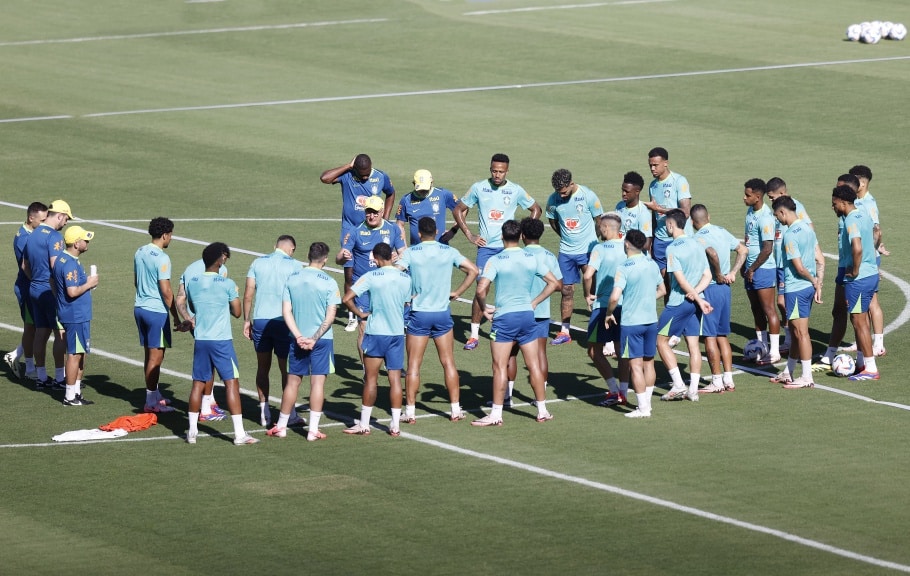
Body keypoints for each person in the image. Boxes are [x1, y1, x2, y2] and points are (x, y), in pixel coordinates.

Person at [470, 220, 560, 427]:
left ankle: (496, 414)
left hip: (505, 318)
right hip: (528, 316)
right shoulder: (531, 257)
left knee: (499, 366)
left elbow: (480, 289)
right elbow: (554, 283)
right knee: (534, 364)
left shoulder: (496, 259)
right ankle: (542, 410)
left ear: (502, 236)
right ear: (520, 236)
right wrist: (535, 302)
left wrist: (484, 308)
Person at [452, 153, 541, 350]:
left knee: (509, 289)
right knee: (481, 288)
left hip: (507, 248)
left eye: (501, 172)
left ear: (507, 171)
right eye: (494, 171)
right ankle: (474, 335)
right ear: (490, 169)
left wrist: (525, 233)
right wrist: (469, 234)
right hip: (485, 249)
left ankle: (503, 328)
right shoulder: (479, 187)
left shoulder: (515, 190)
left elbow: (536, 209)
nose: (497, 175)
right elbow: (458, 209)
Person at [396, 217, 479, 422]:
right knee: (448, 362)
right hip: (442, 313)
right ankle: (455, 409)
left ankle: (411, 412)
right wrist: (458, 292)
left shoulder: (411, 253)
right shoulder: (448, 251)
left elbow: (395, 274)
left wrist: (406, 296)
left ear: (419, 233)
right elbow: (474, 270)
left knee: (414, 365)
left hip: (419, 314)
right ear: (436, 231)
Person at [185, 242, 258, 445]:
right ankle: (239, 434)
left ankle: (192, 432)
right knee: (231, 383)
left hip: (201, 339)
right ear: (220, 259)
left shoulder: (193, 282)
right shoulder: (227, 284)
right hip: (221, 340)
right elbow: (236, 312)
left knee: (197, 383)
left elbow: (192, 307)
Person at [267, 242, 340, 441]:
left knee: (292, 383)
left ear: (308, 256)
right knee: (317, 384)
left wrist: (299, 336)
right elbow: (331, 315)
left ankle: (281, 426)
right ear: (325, 259)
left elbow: (286, 311)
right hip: (322, 341)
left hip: (296, 340)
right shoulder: (329, 281)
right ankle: (312, 430)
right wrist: (314, 338)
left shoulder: (293, 278)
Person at [341, 242, 412, 436]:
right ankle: (395, 425)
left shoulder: (370, 276)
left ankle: (364, 424)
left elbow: (347, 298)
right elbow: (407, 301)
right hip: (397, 333)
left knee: (371, 380)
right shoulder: (405, 278)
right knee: (395, 380)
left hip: (375, 332)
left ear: (378, 258)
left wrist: (360, 314)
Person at [320, 154, 396, 332]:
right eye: (361, 174)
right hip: (350, 230)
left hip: (373, 229)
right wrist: (348, 165)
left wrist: (385, 218)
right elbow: (325, 178)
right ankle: (352, 315)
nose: (364, 177)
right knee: (349, 274)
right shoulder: (347, 175)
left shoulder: (380, 176)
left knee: (378, 268)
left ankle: (378, 307)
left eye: (367, 173)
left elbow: (391, 194)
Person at [604, 230, 666, 418]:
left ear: (627, 244)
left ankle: (643, 408)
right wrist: (646, 298)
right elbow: (662, 290)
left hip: (632, 322)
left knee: (636, 365)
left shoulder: (624, 267)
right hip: (651, 320)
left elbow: (614, 297)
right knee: (649, 363)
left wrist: (608, 313)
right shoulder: (651, 263)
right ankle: (647, 403)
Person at [336, 195, 406, 357]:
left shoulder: (392, 229)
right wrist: (342, 256)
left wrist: (398, 259)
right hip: (364, 287)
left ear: (382, 211)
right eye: (368, 212)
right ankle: (366, 369)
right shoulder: (355, 231)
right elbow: (339, 259)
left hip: (387, 286)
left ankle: (392, 364)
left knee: (392, 327)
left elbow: (403, 254)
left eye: (375, 212)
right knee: (364, 327)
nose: (371, 216)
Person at [242, 235, 301, 427]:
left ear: (275, 246)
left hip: (260, 321)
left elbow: (249, 293)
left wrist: (246, 320)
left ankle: (264, 412)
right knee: (287, 370)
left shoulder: (258, 262)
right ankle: (289, 413)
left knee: (262, 367)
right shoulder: (294, 265)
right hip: (283, 322)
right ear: (291, 249)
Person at [502, 218, 562, 404]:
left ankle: (507, 396)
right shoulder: (549, 256)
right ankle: (540, 398)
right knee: (540, 354)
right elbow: (559, 285)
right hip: (541, 313)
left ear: (522, 235)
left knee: (510, 354)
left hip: (515, 311)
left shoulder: (516, 255)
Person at [656, 209, 714, 403]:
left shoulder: (671, 248)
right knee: (693, 345)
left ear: (671, 225)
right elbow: (708, 275)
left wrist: (694, 296)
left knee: (660, 341)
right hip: (696, 302)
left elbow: (680, 282)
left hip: (679, 303)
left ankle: (679, 385)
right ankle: (694, 390)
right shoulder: (697, 244)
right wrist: (698, 295)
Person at [691, 204, 748, 393]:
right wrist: (732, 272)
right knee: (722, 336)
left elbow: (712, 253)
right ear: (709, 216)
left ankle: (715, 381)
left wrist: (717, 273)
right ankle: (728, 379)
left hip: (711, 290)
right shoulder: (722, 231)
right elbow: (743, 250)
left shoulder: (697, 238)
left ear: (692, 222)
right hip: (725, 290)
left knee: (709, 336)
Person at [768, 196, 823, 388]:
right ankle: (789, 371)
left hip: (797, 288)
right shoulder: (808, 228)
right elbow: (820, 258)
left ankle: (807, 376)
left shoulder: (790, 235)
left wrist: (813, 280)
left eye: (777, 216)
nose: (777, 219)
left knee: (801, 333)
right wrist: (817, 284)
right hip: (805, 288)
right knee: (795, 330)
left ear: (783, 212)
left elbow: (799, 267)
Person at [545, 168, 603, 345]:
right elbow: (552, 220)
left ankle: (598, 331)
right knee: (566, 290)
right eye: (558, 192)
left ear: (571, 184)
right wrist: (564, 236)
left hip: (587, 251)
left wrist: (593, 242)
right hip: (566, 252)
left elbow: (599, 220)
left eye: (564, 192)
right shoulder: (553, 199)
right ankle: (564, 331)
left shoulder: (587, 195)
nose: (561, 195)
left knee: (593, 292)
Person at [22, 199, 72, 390]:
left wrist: (36, 279)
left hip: (35, 288)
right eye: (65, 219)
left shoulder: (33, 234)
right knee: (61, 334)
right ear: (59, 215)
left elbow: (24, 265)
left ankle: (41, 376)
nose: (65, 223)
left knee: (41, 333)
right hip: (49, 292)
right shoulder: (54, 237)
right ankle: (60, 378)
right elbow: (56, 266)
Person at [831, 185, 881, 381]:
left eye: (834, 204)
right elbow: (876, 234)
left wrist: (855, 270)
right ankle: (861, 363)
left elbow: (857, 248)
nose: (833, 207)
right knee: (859, 320)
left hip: (859, 279)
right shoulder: (864, 215)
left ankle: (871, 368)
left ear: (843, 202)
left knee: (859, 322)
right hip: (871, 274)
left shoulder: (851, 220)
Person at [133, 217, 182, 413]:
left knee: (149, 354)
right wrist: (176, 316)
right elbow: (166, 291)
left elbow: (136, 281)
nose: (171, 239)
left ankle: (154, 394)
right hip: (156, 312)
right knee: (156, 357)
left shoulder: (140, 251)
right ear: (165, 235)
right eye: (170, 235)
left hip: (140, 308)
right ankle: (150, 402)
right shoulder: (162, 258)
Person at [175, 252, 230, 421]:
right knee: (210, 365)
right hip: (211, 325)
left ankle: (210, 401)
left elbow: (180, 299)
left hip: (194, 324)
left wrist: (189, 320)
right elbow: (214, 301)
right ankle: (206, 409)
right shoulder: (221, 270)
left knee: (205, 363)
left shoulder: (190, 268)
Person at [815, 174, 861, 370]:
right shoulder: (844, 216)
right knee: (839, 310)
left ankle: (863, 358)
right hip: (844, 266)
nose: (833, 202)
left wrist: (865, 265)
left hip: (854, 270)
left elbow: (868, 238)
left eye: (838, 191)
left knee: (857, 315)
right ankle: (831, 353)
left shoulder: (855, 215)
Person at [583, 213, 628, 405]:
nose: (599, 230)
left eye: (601, 227)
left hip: (603, 306)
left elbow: (587, 275)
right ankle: (624, 393)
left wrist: (588, 294)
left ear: (607, 228)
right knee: (621, 351)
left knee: (594, 351)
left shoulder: (599, 249)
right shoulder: (629, 248)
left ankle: (613, 389)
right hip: (625, 305)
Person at [53, 226, 99, 406]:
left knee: (80, 353)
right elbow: (72, 291)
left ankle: (76, 392)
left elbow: (53, 283)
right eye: (85, 240)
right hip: (76, 315)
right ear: (76, 243)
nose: (87, 242)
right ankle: (70, 396)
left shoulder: (62, 259)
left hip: (73, 313)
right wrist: (89, 283)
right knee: (74, 354)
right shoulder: (70, 263)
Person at [5, 201, 47, 380]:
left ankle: (16, 355)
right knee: (32, 328)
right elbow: (26, 266)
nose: (44, 223)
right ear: (31, 218)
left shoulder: (32, 233)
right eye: (42, 220)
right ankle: (30, 369)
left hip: (32, 286)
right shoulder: (24, 238)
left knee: (37, 327)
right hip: (27, 287)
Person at [741, 178, 781, 365]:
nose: (744, 198)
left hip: (762, 269)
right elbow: (748, 241)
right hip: (750, 268)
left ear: (757, 197)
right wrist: (744, 266)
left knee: (769, 309)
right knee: (756, 309)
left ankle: (774, 352)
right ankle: (761, 347)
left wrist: (752, 268)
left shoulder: (765, 217)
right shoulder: (750, 212)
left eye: (747, 195)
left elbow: (767, 248)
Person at [850, 165, 887, 357]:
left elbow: (876, 230)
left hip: (868, 259)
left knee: (872, 301)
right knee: (867, 302)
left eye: (854, 180)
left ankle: (878, 343)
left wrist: (872, 250)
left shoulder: (868, 203)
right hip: (868, 257)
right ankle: (864, 341)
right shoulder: (858, 201)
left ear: (862, 183)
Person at [643, 147, 691, 284]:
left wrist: (659, 209)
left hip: (678, 239)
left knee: (681, 280)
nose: (652, 168)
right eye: (650, 165)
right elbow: (654, 216)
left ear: (666, 163)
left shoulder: (679, 181)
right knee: (665, 282)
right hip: (660, 240)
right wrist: (651, 241)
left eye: (655, 165)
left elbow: (685, 212)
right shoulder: (652, 185)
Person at [396, 169, 460, 246]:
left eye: (425, 188)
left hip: (440, 249)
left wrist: (453, 230)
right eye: (420, 189)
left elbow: (462, 209)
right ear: (413, 184)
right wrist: (403, 249)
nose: (423, 191)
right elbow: (400, 224)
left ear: (432, 182)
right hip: (416, 251)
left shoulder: (443, 194)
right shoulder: (406, 199)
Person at [615, 171, 652, 253]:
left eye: (627, 191)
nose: (623, 194)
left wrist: (627, 241)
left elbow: (646, 244)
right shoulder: (619, 206)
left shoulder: (643, 213)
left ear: (637, 191)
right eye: (622, 190)